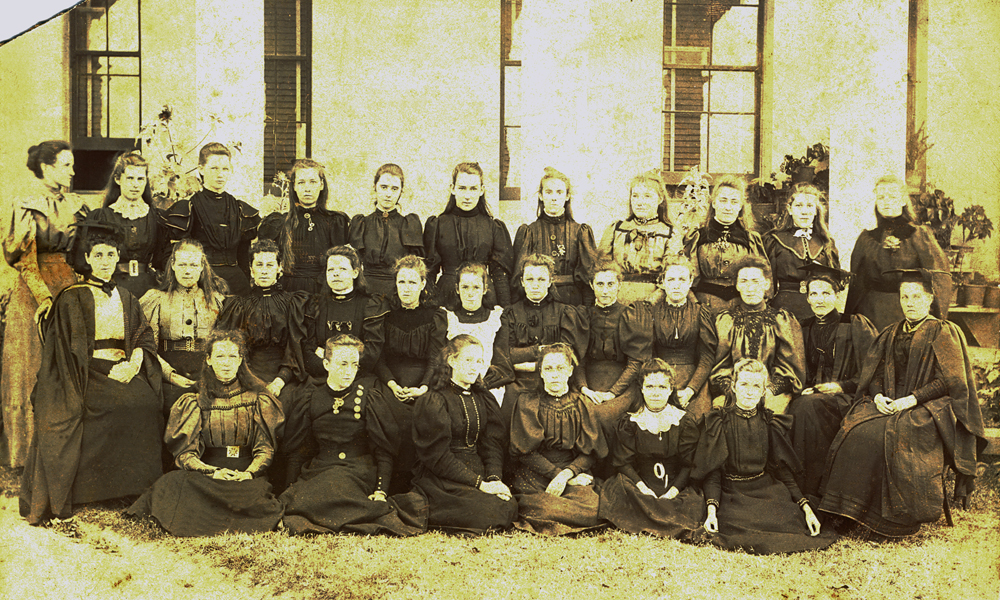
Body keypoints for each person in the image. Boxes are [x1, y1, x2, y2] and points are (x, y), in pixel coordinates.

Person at [820, 271, 987, 537]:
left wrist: (910, 400)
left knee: (888, 436)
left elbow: (948, 382)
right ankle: (848, 512)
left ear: (929, 299)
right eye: (904, 297)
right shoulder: (891, 332)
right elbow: (874, 374)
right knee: (855, 430)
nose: (909, 302)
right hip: (888, 402)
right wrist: (877, 396)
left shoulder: (944, 331)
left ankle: (890, 520)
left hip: (927, 407)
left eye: (916, 296)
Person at [20, 220, 163, 525]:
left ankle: (132, 487)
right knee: (110, 405)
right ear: (87, 259)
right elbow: (64, 351)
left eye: (110, 255)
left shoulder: (126, 297)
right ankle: (93, 491)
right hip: (86, 372)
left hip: (122, 366)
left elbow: (143, 335)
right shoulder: (73, 296)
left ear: (117, 258)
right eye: (98, 255)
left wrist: (134, 363)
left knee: (147, 402)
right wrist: (102, 371)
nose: (105, 262)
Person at [125, 330, 285, 536]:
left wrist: (248, 473)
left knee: (255, 493)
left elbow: (265, 448)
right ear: (208, 360)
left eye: (232, 356)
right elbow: (185, 454)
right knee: (172, 482)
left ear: (240, 360)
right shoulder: (194, 399)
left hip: (244, 477)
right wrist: (211, 471)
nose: (226, 363)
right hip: (209, 476)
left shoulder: (258, 399)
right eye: (219, 356)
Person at [279, 335, 427, 536]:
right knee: (304, 499)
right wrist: (291, 488)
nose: (349, 371)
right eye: (342, 364)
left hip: (358, 470)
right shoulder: (311, 397)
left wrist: (381, 491)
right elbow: (298, 450)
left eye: (354, 365)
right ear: (326, 364)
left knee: (335, 489)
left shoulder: (369, 397)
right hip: (320, 469)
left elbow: (383, 449)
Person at [693, 358, 837, 554]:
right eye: (743, 384)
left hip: (765, 488)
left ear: (763, 391)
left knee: (790, 521)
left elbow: (783, 471)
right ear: (733, 387)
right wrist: (711, 511)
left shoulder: (770, 422)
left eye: (756, 386)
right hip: (733, 492)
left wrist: (806, 508)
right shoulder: (719, 421)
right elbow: (713, 473)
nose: (749, 391)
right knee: (736, 526)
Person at [2, 140, 87, 468]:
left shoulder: (75, 204)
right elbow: (23, 260)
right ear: (47, 167)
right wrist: (43, 298)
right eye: (67, 165)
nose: (73, 171)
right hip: (34, 290)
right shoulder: (27, 203)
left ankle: (63, 449)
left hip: (68, 284)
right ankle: (26, 453)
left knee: (65, 363)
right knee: (32, 365)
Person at [785, 263, 876, 501]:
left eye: (826, 293)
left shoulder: (854, 324)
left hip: (847, 398)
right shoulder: (801, 328)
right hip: (810, 397)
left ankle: (814, 490)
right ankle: (796, 487)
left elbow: (873, 370)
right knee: (801, 407)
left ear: (837, 295)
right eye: (814, 293)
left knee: (805, 409)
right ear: (807, 297)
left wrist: (840, 386)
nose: (819, 300)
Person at [411, 335, 517, 534]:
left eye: (479, 361)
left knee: (507, 505)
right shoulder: (435, 400)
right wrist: (480, 485)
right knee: (490, 511)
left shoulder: (482, 397)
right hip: (443, 476)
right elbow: (438, 457)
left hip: (478, 470)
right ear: (452, 361)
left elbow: (491, 444)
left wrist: (494, 478)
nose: (474, 367)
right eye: (468, 360)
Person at [597, 359, 704, 539]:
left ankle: (655, 516)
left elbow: (689, 464)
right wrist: (643, 488)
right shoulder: (630, 422)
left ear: (671, 390)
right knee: (623, 492)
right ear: (642, 388)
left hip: (674, 486)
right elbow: (623, 462)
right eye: (650, 386)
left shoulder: (684, 421)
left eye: (662, 387)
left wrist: (673, 492)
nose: (656, 393)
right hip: (641, 485)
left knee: (688, 503)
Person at [509, 343, 607, 535]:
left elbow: (591, 452)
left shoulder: (582, 404)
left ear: (570, 371)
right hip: (535, 473)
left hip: (572, 471)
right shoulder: (527, 402)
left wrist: (566, 476)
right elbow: (525, 452)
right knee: (542, 506)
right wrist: (556, 475)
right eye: (548, 368)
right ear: (541, 373)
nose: (554, 374)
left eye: (560, 368)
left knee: (593, 510)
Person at [375, 255, 448, 494]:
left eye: (412, 282)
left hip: (425, 380)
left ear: (423, 284)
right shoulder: (385, 314)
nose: (407, 288)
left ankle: (416, 484)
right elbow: (380, 358)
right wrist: (392, 385)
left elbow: (435, 358)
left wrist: (424, 387)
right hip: (390, 380)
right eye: (402, 282)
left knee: (424, 412)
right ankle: (388, 484)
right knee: (385, 412)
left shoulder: (435, 315)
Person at [487, 254, 586, 427]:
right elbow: (505, 354)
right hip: (517, 382)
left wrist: (526, 361)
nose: (535, 285)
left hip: (553, 380)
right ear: (522, 282)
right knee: (506, 415)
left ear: (550, 281)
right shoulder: (510, 313)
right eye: (530, 279)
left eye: (541, 279)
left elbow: (566, 354)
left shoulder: (565, 313)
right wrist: (540, 350)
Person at [844, 175, 950, 331]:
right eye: (881, 197)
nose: (886, 201)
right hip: (870, 314)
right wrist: (849, 321)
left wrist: (935, 319)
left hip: (907, 312)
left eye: (893, 197)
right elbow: (857, 284)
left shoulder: (919, 236)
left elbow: (939, 278)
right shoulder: (866, 239)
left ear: (903, 201)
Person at [705, 256, 805, 413]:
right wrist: (736, 391)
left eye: (755, 281)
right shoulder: (725, 321)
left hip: (772, 394)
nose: (750, 288)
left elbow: (789, 370)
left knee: (771, 413)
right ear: (737, 285)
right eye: (744, 281)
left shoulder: (782, 320)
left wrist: (767, 392)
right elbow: (719, 369)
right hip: (733, 392)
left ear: (767, 284)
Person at [620, 255, 714, 420]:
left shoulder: (701, 313)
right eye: (671, 279)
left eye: (682, 279)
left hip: (692, 380)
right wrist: (659, 386)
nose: (676, 285)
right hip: (658, 379)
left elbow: (707, 357)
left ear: (690, 282)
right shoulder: (651, 312)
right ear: (662, 283)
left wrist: (691, 390)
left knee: (698, 417)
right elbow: (648, 355)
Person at [140, 239, 228, 412]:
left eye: (194, 265)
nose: (187, 271)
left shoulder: (217, 300)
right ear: (172, 265)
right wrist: (170, 376)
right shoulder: (156, 299)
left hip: (208, 371)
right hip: (168, 373)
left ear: (202, 267)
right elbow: (147, 346)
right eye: (182, 264)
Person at [215, 239, 308, 401]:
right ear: (251, 270)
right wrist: (252, 381)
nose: (264, 270)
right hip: (247, 375)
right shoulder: (238, 306)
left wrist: (279, 382)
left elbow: (294, 349)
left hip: (285, 376)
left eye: (270, 265)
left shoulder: (293, 303)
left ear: (280, 268)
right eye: (259, 265)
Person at [163, 142, 260, 296]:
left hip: (237, 284)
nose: (220, 174)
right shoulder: (189, 207)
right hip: (202, 282)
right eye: (214, 168)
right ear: (201, 169)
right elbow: (175, 255)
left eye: (225, 169)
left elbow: (243, 256)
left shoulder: (240, 209)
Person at [424, 162, 514, 308]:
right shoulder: (438, 224)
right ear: (452, 189)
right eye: (462, 188)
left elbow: (500, 275)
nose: (467, 196)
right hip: (447, 295)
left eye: (473, 189)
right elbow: (430, 272)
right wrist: (428, 306)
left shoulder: (493, 227)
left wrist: (505, 309)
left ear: (481, 190)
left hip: (484, 296)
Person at [258, 158, 349, 294]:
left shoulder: (335, 221)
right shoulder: (280, 223)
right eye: (301, 182)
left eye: (313, 182)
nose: (307, 188)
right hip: (289, 291)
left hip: (324, 290)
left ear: (321, 185)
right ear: (294, 186)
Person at [88, 152, 171, 300]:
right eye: (130, 178)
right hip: (112, 288)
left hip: (149, 289)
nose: (135, 184)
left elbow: (162, 259)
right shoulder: (102, 217)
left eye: (140, 179)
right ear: (118, 179)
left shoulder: (156, 217)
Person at [513, 167, 596, 305]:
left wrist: (586, 312)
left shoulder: (580, 232)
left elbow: (589, 279)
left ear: (567, 196)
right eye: (549, 192)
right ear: (541, 195)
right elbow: (517, 280)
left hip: (572, 302)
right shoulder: (529, 232)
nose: (554, 198)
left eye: (559, 192)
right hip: (538, 303)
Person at [685, 175, 767, 314]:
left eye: (734, 202)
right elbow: (689, 276)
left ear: (741, 206)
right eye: (723, 201)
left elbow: (763, 276)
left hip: (740, 305)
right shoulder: (698, 236)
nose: (728, 207)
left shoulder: (750, 239)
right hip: (704, 305)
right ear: (714, 203)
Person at [302, 246, 388, 379]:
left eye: (342, 269)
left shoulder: (370, 305)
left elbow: (371, 354)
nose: (336, 274)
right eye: (331, 269)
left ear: (355, 273)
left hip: (357, 378)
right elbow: (308, 351)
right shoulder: (315, 304)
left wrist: (333, 364)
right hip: (321, 377)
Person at [598, 170, 679, 304]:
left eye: (647, 196)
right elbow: (602, 267)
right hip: (617, 299)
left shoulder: (670, 233)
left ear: (660, 199)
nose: (640, 202)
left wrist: (651, 302)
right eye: (635, 196)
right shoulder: (616, 229)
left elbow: (673, 273)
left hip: (654, 302)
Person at [762, 184, 840, 321]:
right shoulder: (774, 241)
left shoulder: (826, 242)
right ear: (789, 209)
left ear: (816, 211)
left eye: (810, 206)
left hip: (819, 310)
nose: (804, 212)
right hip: (784, 310)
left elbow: (836, 282)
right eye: (799, 206)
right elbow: (767, 284)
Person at [349, 163, 424, 298]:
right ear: (374, 187)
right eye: (383, 187)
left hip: (398, 292)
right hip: (365, 290)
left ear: (401, 191)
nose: (388, 194)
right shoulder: (362, 223)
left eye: (394, 189)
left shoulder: (409, 224)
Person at [444, 262, 505, 403]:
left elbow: (501, 361)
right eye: (465, 287)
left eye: (476, 287)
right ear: (457, 289)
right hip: (454, 387)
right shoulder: (448, 318)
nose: (470, 293)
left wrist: (483, 384)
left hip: (487, 385)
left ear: (484, 289)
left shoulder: (496, 318)